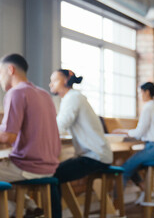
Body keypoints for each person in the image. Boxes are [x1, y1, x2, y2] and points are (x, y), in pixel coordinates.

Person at [0, 54, 61, 216]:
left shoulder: (16, 93)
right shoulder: (44, 94)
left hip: (29, 167)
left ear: (10, 69)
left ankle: (15, 210)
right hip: (49, 167)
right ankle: (30, 206)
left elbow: (7, 136)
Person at [49, 69, 113, 218]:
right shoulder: (72, 98)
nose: (50, 83)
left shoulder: (73, 98)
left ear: (65, 81)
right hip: (95, 154)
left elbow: (59, 126)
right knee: (56, 172)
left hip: (95, 156)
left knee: (53, 174)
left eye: (54, 80)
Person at [112, 82, 154, 195]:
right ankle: (146, 192)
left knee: (123, 170)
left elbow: (139, 133)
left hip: (153, 148)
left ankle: (116, 205)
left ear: (147, 92)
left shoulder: (148, 107)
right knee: (130, 166)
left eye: (140, 93)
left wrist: (123, 131)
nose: (139, 96)